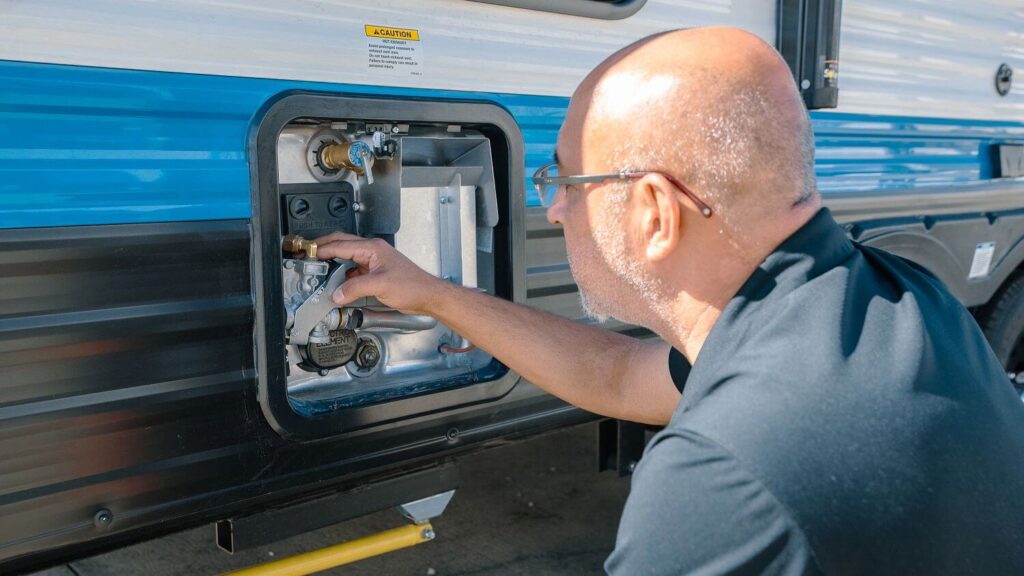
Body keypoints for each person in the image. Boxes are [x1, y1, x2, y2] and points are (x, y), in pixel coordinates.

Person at [315, 27, 1024, 575]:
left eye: (566, 182)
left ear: (655, 212)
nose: (556, 211)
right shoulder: (898, 302)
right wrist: (432, 294)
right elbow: (617, 377)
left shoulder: (720, 481)